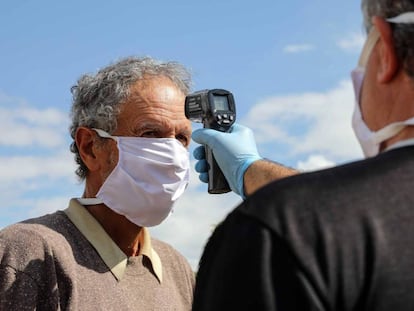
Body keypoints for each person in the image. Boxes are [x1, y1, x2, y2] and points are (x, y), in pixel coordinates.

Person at [191, 1, 414, 310]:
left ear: (385, 50)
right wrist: (251, 171)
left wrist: (269, 197)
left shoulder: (282, 232)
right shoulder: (295, 223)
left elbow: (324, 221)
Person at [0, 56, 195, 310]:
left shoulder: (176, 267)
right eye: (150, 134)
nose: (172, 155)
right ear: (90, 148)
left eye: (181, 138)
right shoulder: (28, 252)